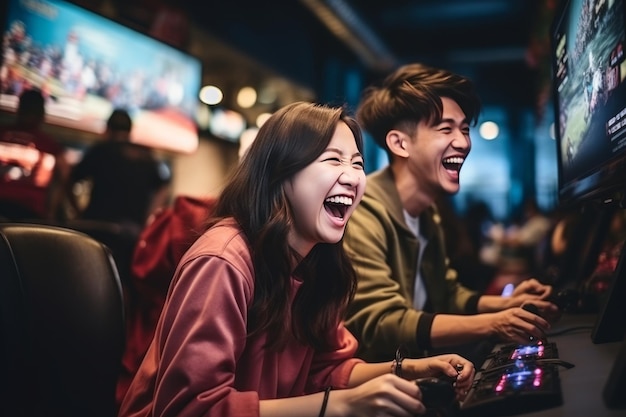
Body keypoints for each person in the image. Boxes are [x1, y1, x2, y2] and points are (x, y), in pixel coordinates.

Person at [118, 101, 475, 417]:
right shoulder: (223, 259)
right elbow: (189, 408)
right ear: (280, 174)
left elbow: (326, 369)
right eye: (333, 160)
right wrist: (339, 406)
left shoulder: (317, 260)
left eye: (357, 163)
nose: (352, 177)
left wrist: (410, 370)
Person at [342, 63, 559, 364]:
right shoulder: (364, 211)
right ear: (399, 143)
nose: (463, 142)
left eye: (464, 129)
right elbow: (380, 321)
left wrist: (509, 304)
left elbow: (447, 294)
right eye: (445, 128)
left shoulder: (427, 212)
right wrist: (494, 322)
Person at [68, 108, 171, 230]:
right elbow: (163, 189)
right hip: (131, 231)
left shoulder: (100, 150)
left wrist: (78, 212)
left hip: (97, 226)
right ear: (130, 131)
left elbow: (69, 179)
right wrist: (147, 222)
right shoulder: (146, 155)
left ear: (107, 130)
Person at [0, 88, 69, 221]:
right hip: (30, 216)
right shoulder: (50, 145)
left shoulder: (2, 132)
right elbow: (64, 178)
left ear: (19, 109)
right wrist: (51, 214)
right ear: (42, 114)